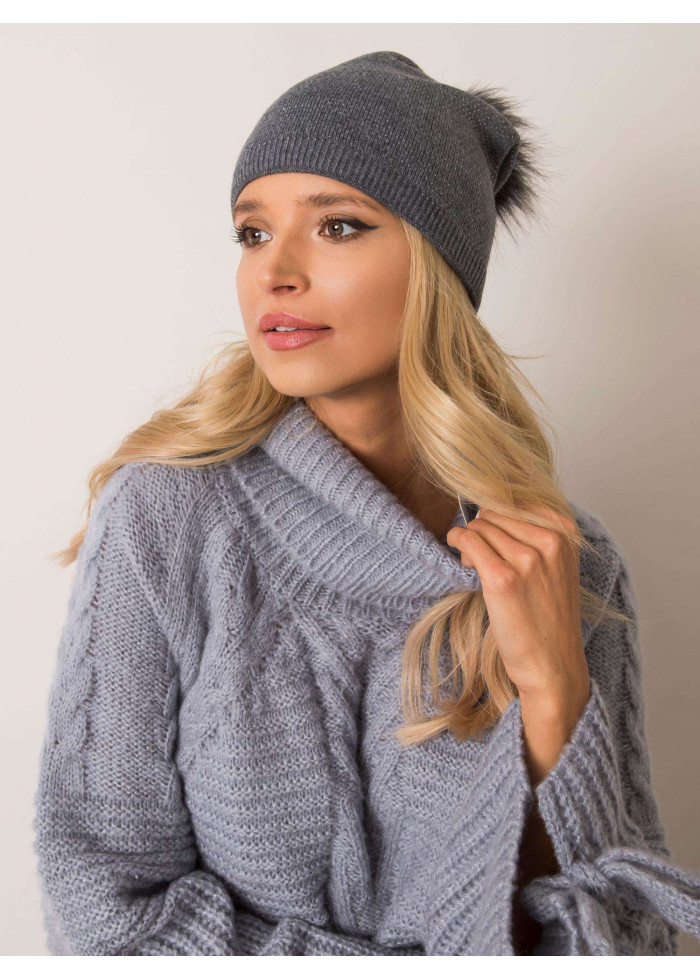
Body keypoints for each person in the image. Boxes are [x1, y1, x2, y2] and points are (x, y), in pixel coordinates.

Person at [32, 50, 700, 956]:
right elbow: (106, 915)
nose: (275, 272)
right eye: (252, 232)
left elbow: (630, 944)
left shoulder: (567, 560)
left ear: (438, 266)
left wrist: (555, 689)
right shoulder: (167, 521)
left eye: (338, 226)